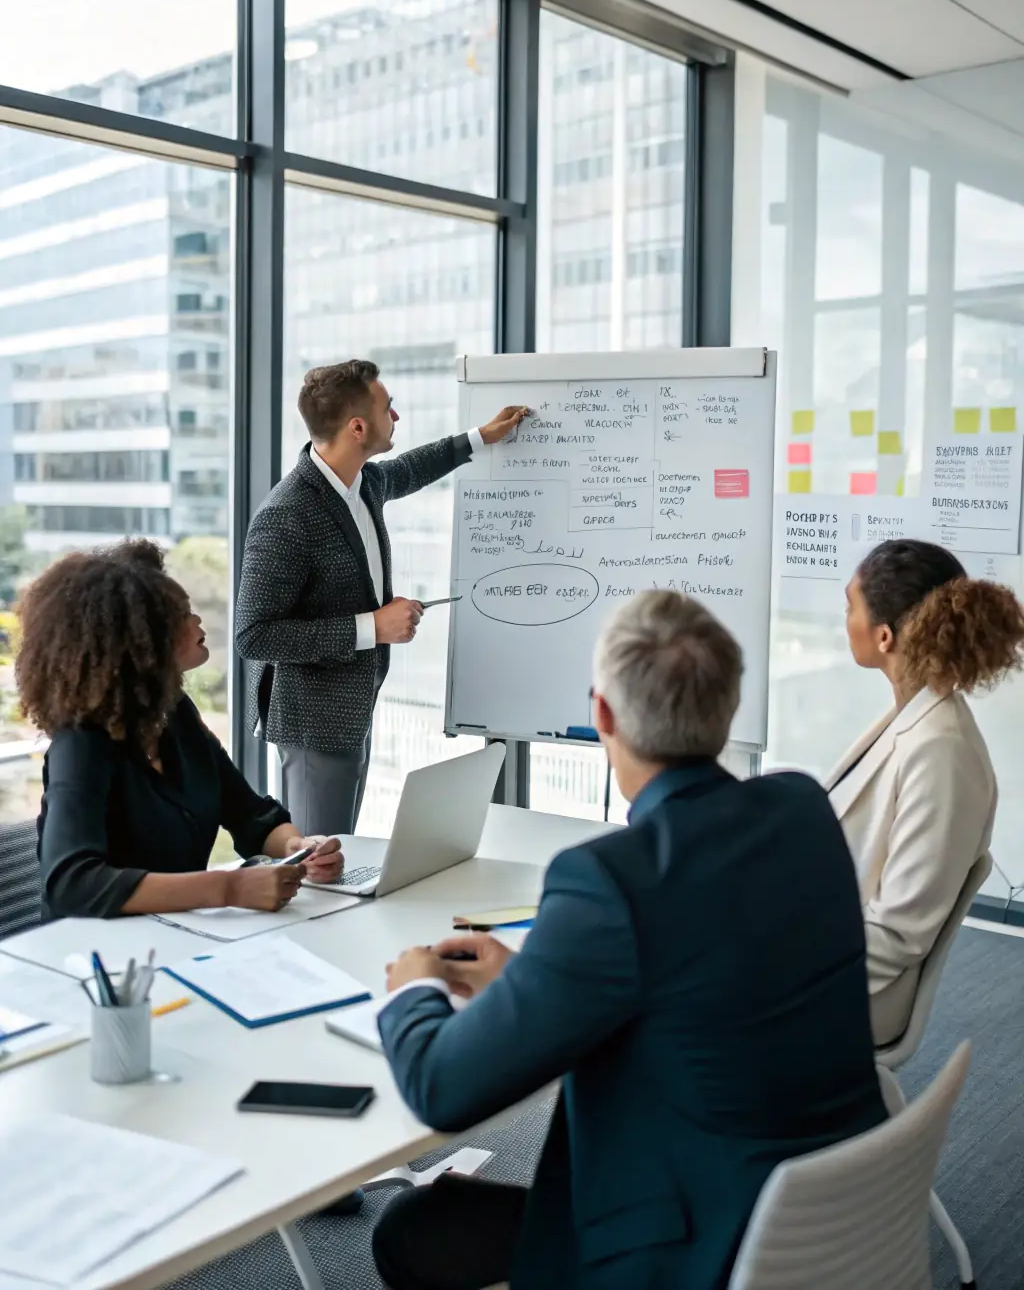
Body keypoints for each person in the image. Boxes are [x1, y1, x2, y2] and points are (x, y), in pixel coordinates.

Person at [370, 590, 887, 1290]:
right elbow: (702, 969)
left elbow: (440, 1089)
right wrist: (533, 979)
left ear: (602, 714)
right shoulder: (802, 809)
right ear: (729, 704)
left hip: (692, 1249)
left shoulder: (610, 879)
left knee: (411, 1229)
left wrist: (416, 988)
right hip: (832, 1216)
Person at [234, 358, 527, 838]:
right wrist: (374, 627)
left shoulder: (362, 483)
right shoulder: (287, 514)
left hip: (352, 711)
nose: (397, 417)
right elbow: (253, 636)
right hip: (315, 725)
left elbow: (411, 469)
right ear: (357, 427)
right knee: (318, 866)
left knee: (336, 851)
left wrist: (480, 437)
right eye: (388, 408)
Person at [16, 540, 342, 920]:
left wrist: (298, 847)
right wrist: (228, 888)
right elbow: (72, 884)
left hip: (176, 938)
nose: (197, 621)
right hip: (99, 956)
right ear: (137, 642)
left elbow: (249, 815)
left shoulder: (175, 715)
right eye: (181, 615)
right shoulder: (81, 745)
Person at [826, 538, 1024, 1046]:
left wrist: (788, 964)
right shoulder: (914, 717)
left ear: (885, 635)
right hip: (826, 943)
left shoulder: (943, 752)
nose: (844, 616)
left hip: (855, 990)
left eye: (851, 605)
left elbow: (897, 935)